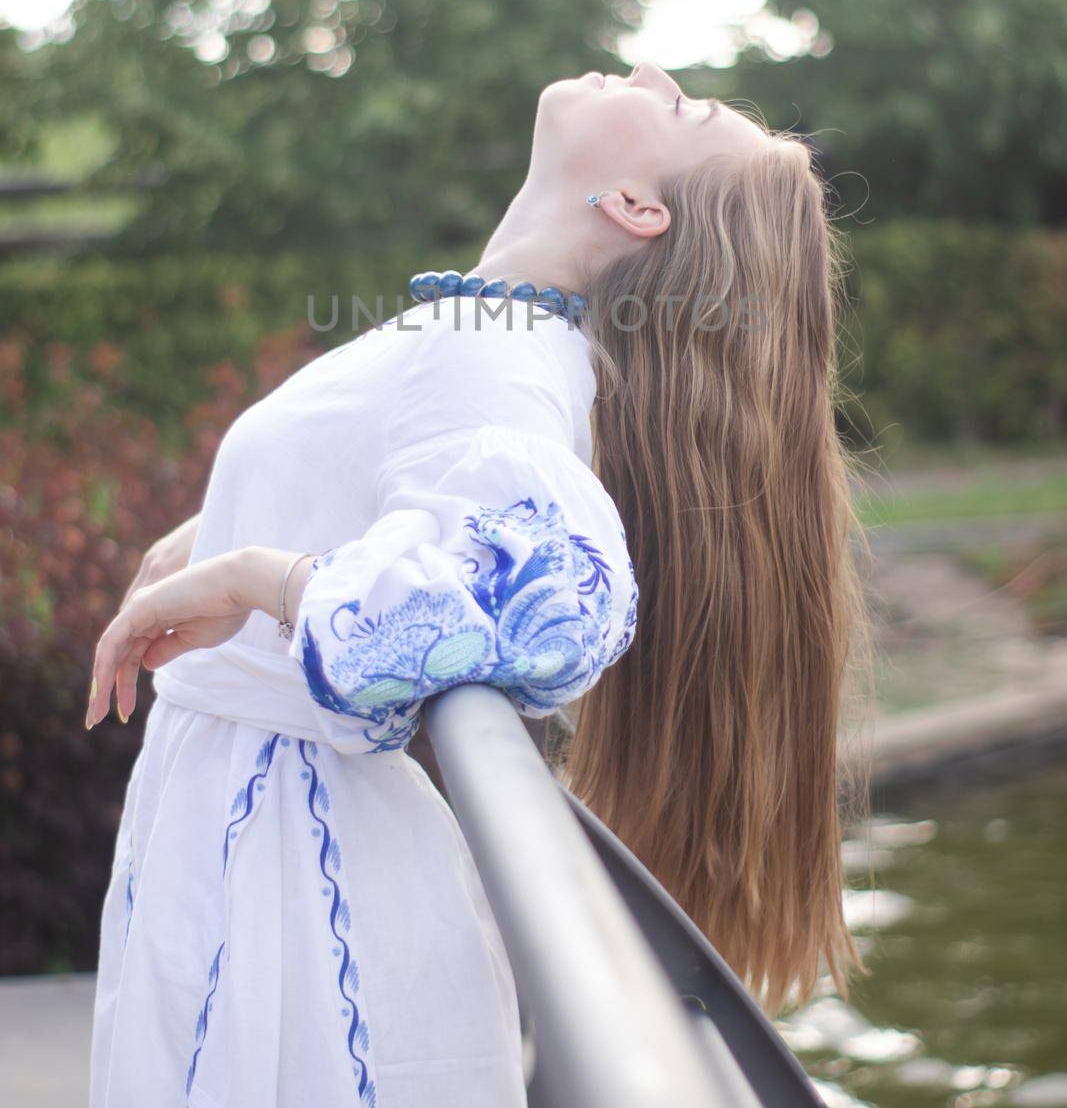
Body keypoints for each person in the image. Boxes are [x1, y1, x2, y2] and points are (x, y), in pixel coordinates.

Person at [85, 61, 873, 1107]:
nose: (648, 72)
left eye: (675, 105)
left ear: (636, 205)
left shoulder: (490, 355)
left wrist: (255, 574)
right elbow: (417, 468)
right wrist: (230, 524)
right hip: (254, 839)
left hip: (291, 868)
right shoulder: (497, 334)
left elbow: (540, 609)